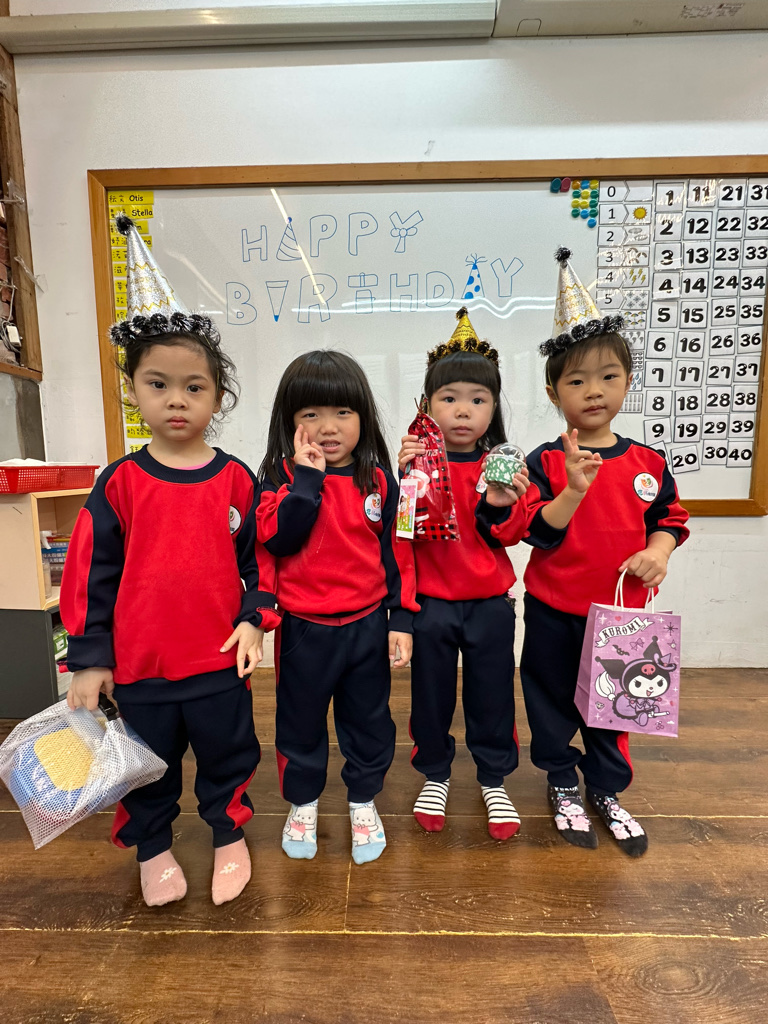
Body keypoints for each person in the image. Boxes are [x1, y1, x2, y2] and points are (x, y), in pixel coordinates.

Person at [60, 215, 279, 906]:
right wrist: (90, 659)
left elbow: (261, 562)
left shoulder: (237, 479)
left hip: (217, 661)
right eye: (159, 384)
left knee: (227, 755)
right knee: (145, 766)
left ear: (218, 396)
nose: (177, 399)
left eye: (194, 387)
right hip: (141, 666)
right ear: (133, 389)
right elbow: (89, 576)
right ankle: (152, 848)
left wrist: (254, 619)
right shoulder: (119, 484)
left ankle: (229, 833)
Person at [516, 247, 689, 856]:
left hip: (623, 617)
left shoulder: (647, 463)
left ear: (628, 381)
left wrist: (659, 551)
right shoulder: (544, 460)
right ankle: (562, 781)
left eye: (608, 377)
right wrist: (570, 489)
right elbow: (535, 531)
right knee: (550, 699)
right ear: (553, 391)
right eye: (576, 381)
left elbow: (669, 519)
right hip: (553, 609)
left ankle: (607, 788)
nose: (593, 391)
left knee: (618, 705)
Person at [256, 349, 418, 865]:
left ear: (363, 416)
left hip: (367, 626)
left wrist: (401, 618)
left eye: (342, 412)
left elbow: (399, 552)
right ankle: (303, 802)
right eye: (311, 414)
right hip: (303, 629)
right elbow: (277, 541)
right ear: (290, 421)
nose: (328, 427)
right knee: (299, 723)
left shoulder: (379, 481)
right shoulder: (279, 478)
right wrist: (307, 482)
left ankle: (362, 799)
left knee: (368, 721)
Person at [398, 308, 530, 840]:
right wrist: (404, 476)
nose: (462, 410)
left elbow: (513, 533)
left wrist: (500, 501)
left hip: (490, 605)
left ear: (493, 408)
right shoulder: (415, 466)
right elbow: (401, 535)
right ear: (427, 405)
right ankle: (435, 772)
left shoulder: (502, 464)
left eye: (478, 400)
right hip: (431, 605)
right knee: (430, 695)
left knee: (492, 693)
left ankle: (493, 778)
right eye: (449, 398)